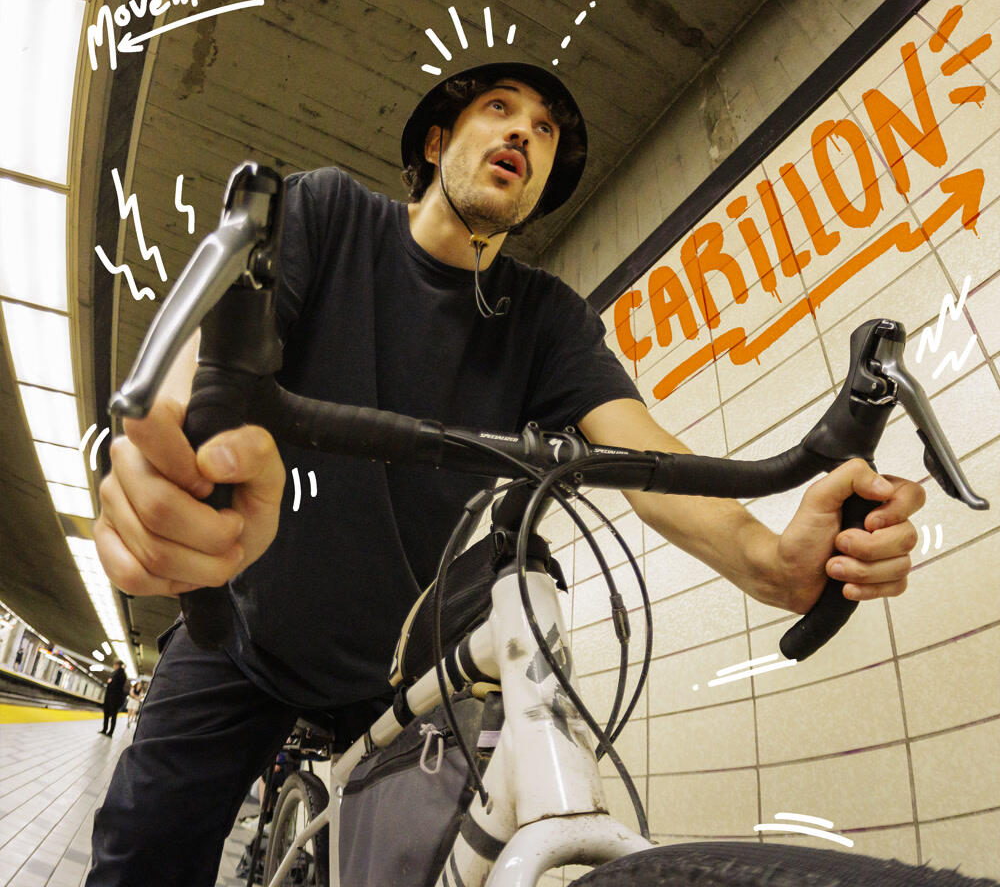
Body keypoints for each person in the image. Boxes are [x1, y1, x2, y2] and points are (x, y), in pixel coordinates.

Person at [87, 61, 924, 885]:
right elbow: (216, 361)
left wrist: (767, 561)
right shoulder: (330, 214)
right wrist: (175, 445)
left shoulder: (546, 319)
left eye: (546, 129)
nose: (524, 130)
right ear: (437, 141)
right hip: (244, 635)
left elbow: (648, 460)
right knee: (141, 848)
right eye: (499, 107)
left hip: (395, 671)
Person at [99, 660, 127, 737]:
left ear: (118, 665)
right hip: (109, 696)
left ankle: (110, 732)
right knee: (107, 714)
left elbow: (118, 684)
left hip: (115, 698)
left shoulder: (121, 673)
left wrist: (111, 681)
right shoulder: (114, 673)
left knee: (113, 715)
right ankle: (105, 729)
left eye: (115, 664)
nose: (114, 666)